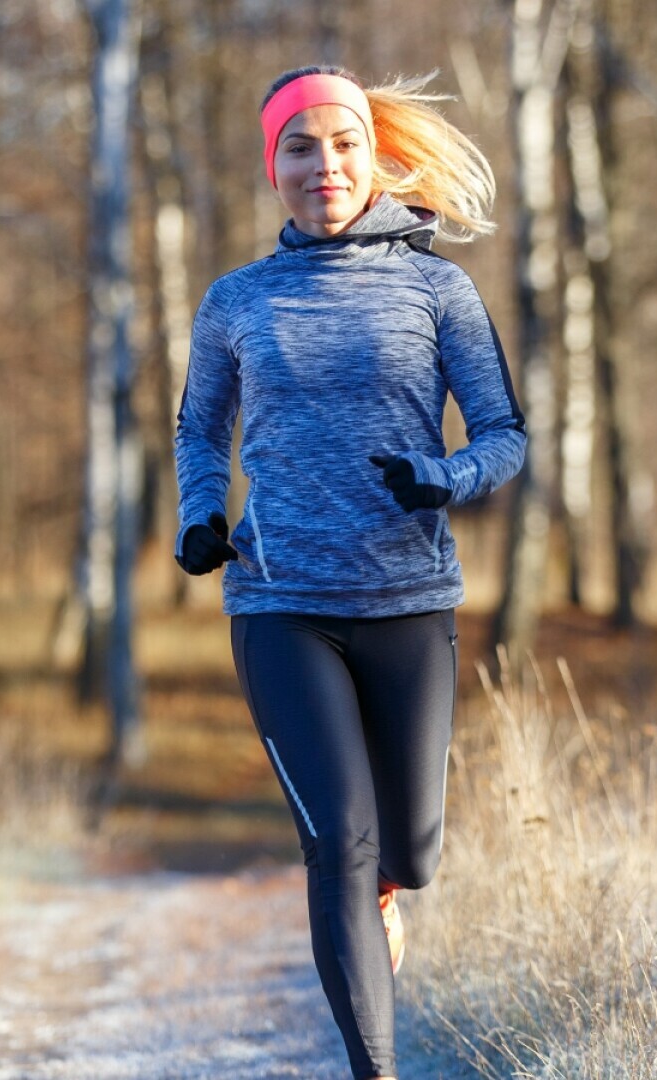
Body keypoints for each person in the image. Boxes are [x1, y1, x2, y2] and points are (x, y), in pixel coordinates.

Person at [171, 65, 526, 1080]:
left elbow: (502, 433)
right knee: (341, 844)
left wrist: (442, 480)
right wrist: (204, 516)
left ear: (373, 158)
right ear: (271, 164)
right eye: (298, 146)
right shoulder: (236, 300)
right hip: (282, 605)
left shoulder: (436, 288)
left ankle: (385, 894)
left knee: (407, 852)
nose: (321, 165)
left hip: (410, 600)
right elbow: (200, 429)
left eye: (342, 145)